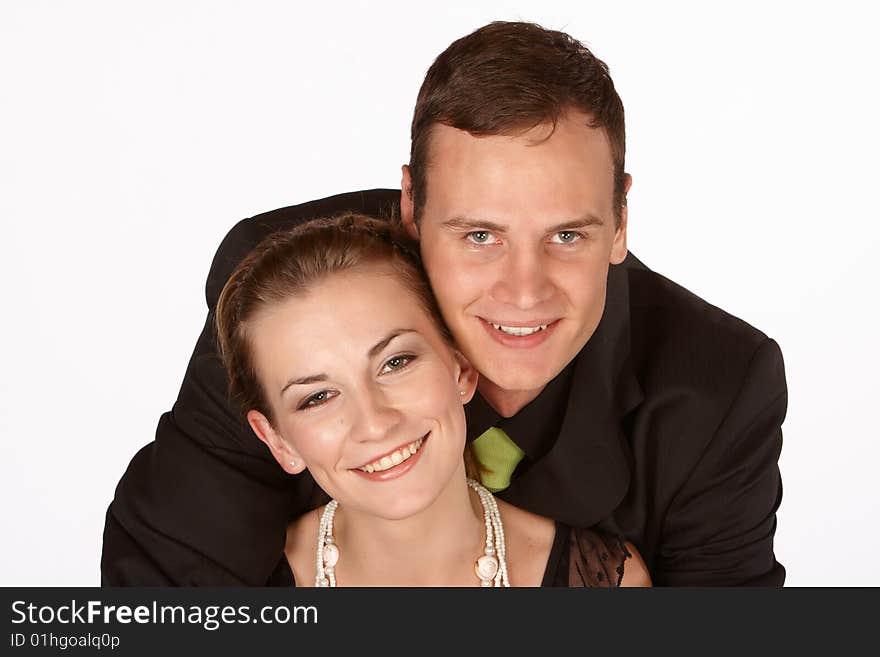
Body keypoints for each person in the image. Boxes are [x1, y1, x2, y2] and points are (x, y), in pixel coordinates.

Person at [102, 21, 786, 586]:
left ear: (622, 219)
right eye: (480, 235)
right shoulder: (287, 296)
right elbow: (163, 581)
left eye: (568, 234)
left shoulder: (720, 387)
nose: (524, 291)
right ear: (411, 208)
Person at [213, 213, 651, 586]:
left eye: (396, 362)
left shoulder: (607, 582)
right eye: (318, 397)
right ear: (278, 441)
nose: (374, 422)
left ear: (460, 367)